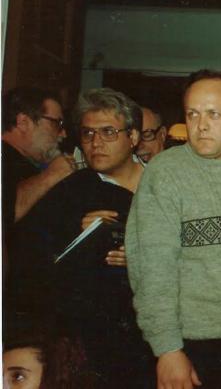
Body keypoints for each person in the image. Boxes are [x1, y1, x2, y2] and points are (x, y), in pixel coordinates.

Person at [126, 70, 221, 389]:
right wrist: (167, 349)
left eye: (214, 114)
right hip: (192, 347)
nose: (201, 125)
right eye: (193, 114)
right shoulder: (164, 172)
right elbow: (152, 268)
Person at [9, 88, 154, 388]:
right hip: (92, 338)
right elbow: (29, 259)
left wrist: (142, 256)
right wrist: (78, 233)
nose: (95, 143)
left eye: (108, 132)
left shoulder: (163, 184)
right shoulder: (70, 190)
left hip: (153, 334)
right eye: (88, 133)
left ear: (133, 137)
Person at [2, 88, 74, 253]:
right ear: (23, 122)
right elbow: (5, 212)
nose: (63, 134)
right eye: (56, 123)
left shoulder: (28, 166)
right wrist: (53, 174)